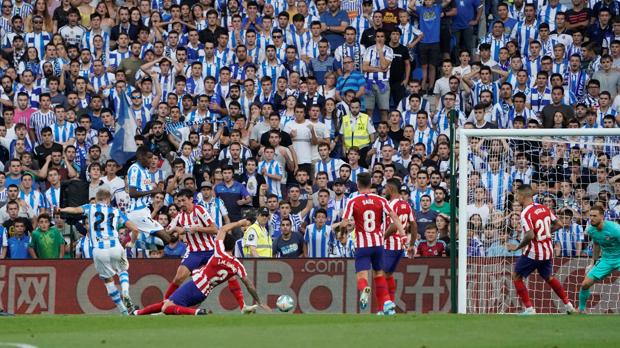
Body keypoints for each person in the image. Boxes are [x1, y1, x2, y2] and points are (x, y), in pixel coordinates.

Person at [133, 219, 269, 315]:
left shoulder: (218, 252)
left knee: (166, 307)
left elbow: (222, 229)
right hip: (203, 294)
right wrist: (258, 301)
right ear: (233, 247)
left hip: (196, 285)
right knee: (168, 304)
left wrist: (240, 223)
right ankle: (137, 313)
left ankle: (197, 312)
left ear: (223, 244)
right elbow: (249, 285)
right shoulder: (237, 265)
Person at [159, 189, 249, 313]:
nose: (181, 204)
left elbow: (214, 229)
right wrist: (170, 229)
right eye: (179, 201)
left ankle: (243, 306)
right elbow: (168, 231)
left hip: (209, 250)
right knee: (179, 277)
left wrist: (197, 228)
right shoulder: (179, 216)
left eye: (183, 200)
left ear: (191, 199)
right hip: (193, 252)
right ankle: (164, 304)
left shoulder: (200, 210)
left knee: (231, 275)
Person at [57, 189, 140, 314]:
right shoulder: (116, 211)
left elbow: (75, 210)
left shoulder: (90, 207)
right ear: (108, 199)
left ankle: (123, 311)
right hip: (115, 246)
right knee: (122, 270)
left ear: (96, 199)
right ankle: (125, 292)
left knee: (108, 280)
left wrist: (61, 210)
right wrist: (132, 243)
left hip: (99, 250)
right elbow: (135, 229)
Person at [507, 184, 576, 315]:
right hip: (548, 251)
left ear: (522, 196)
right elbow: (560, 224)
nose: (516, 198)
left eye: (517, 196)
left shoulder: (525, 213)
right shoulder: (544, 208)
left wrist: (517, 247)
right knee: (549, 277)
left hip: (534, 253)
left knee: (516, 276)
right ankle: (568, 305)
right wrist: (544, 233)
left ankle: (529, 308)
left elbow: (530, 235)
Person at [342, 172, 404, 315]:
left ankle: (365, 289)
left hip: (363, 245)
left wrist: (342, 236)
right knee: (379, 274)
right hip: (378, 244)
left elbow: (345, 222)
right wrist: (402, 235)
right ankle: (384, 305)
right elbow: (394, 216)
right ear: (370, 184)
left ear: (357, 184)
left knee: (362, 276)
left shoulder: (353, 201)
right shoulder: (380, 200)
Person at [578, 206, 620, 313]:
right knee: (585, 284)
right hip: (606, 260)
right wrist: (593, 263)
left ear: (602, 216)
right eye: (590, 215)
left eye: (594, 216)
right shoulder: (591, 230)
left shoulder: (615, 229)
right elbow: (596, 245)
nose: (591, 218)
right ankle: (581, 309)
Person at [383, 178, 416, 304]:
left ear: (391, 189)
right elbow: (414, 225)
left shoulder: (391, 205)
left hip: (389, 245)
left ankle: (386, 305)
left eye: (386, 188)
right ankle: (390, 303)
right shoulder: (406, 205)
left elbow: (393, 226)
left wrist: (382, 238)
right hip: (399, 247)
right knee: (388, 275)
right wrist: (411, 244)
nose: (384, 190)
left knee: (380, 275)